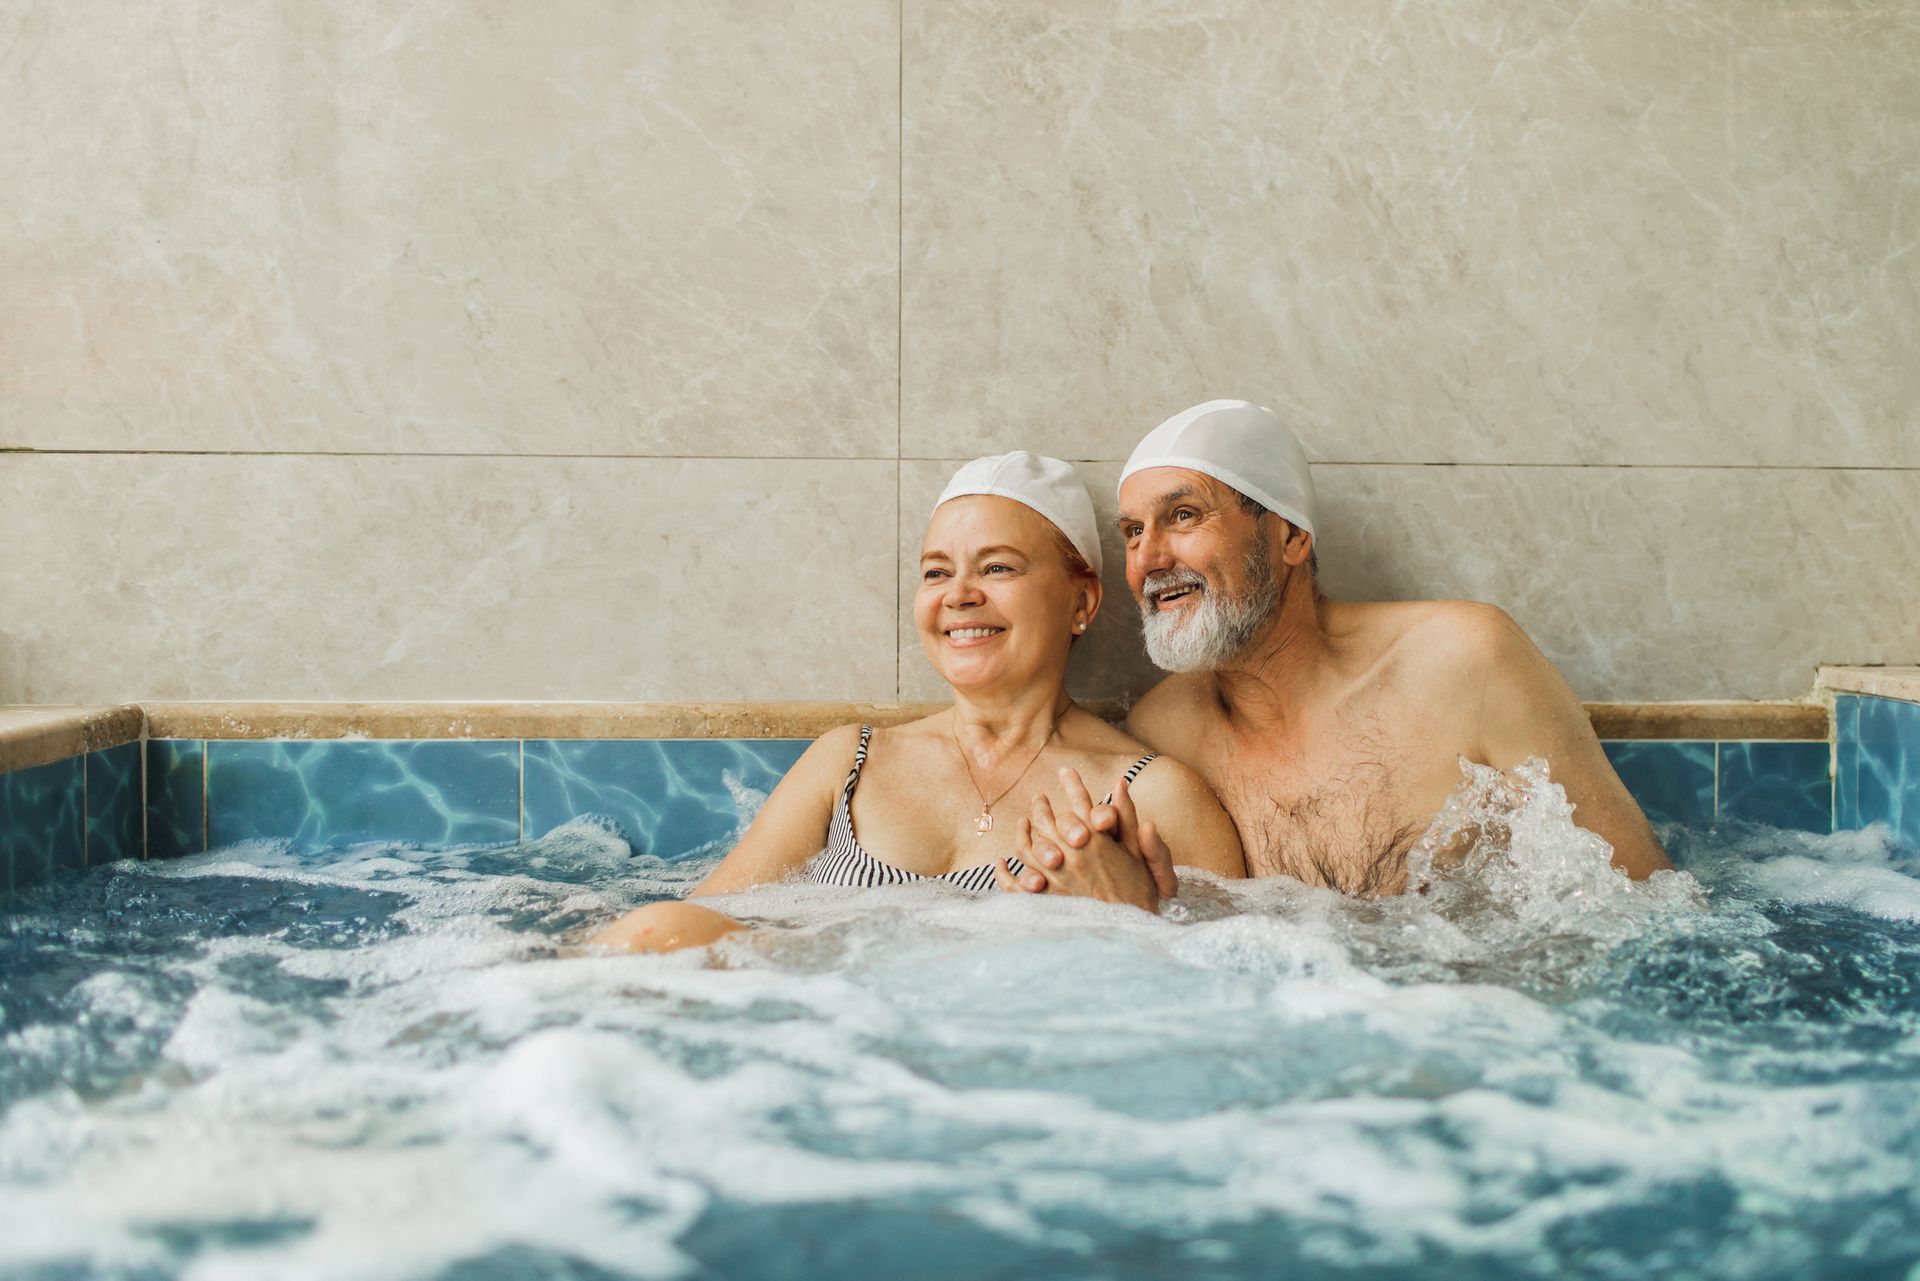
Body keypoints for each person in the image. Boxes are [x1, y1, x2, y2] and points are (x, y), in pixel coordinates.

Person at [1006, 400, 1672, 899]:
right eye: (1131, 532)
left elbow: (1648, 907)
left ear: (1292, 537)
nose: (1149, 559)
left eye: (1183, 516)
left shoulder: (1465, 661)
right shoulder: (1166, 733)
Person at [587, 451, 1246, 954]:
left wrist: (1140, 919)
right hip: (833, 1051)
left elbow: (1255, 982)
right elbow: (710, 918)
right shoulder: (850, 761)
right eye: (937, 572)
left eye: (997, 568)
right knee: (651, 931)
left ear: (1082, 601)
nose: (958, 594)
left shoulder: (1152, 798)